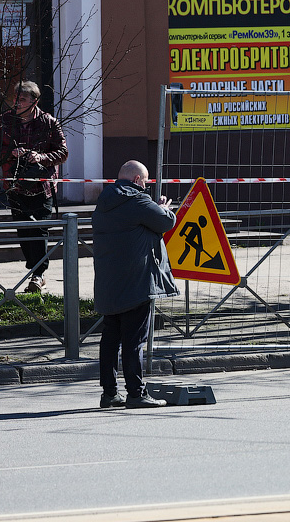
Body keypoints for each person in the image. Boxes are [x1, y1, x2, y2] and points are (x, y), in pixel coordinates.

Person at [94, 160, 179, 408]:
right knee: (134, 340)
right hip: (137, 282)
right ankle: (136, 393)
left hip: (109, 283)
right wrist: (162, 207)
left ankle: (109, 393)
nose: (146, 186)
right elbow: (165, 222)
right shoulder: (138, 201)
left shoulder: (103, 202)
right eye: (145, 181)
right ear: (137, 180)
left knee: (110, 339)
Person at [0, 81, 68, 293]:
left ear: (34, 101)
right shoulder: (5, 121)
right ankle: (34, 271)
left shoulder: (49, 122)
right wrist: (11, 153)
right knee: (23, 229)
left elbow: (63, 153)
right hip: (15, 185)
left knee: (39, 229)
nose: (16, 102)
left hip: (42, 186)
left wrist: (40, 157)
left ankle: (38, 273)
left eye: (21, 99)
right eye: (15, 98)